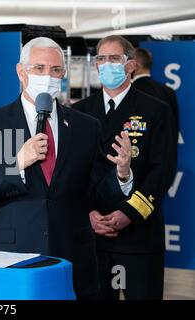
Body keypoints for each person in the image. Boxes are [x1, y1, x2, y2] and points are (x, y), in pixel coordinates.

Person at [0, 37, 133, 299]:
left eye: (55, 70)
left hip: (72, 256)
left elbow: (96, 193)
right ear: (21, 71)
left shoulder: (86, 125)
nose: (47, 76)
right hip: (12, 256)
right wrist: (16, 163)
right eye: (39, 68)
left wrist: (121, 174)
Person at [73, 35, 176, 300]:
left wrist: (128, 213)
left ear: (130, 65)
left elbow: (161, 171)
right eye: (102, 59)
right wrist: (88, 213)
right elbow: (73, 172)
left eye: (115, 58)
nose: (107, 65)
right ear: (95, 66)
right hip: (92, 236)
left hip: (139, 235)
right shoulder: (79, 112)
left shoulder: (156, 110)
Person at [132, 47, 179, 191]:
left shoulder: (131, 92)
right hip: (161, 165)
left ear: (135, 66)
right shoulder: (167, 91)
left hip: (133, 168)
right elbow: (174, 129)